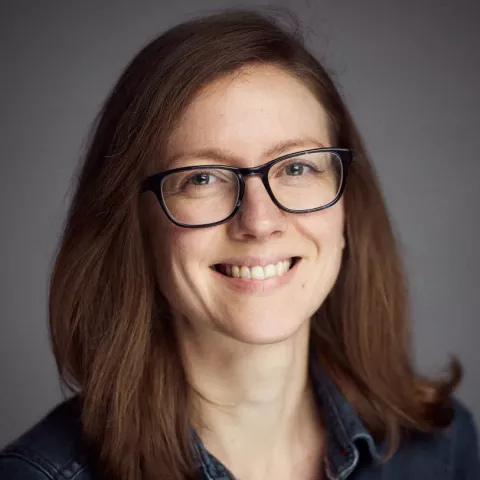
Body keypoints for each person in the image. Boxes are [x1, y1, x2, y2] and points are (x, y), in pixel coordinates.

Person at [0, 9, 478, 480]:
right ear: (137, 225)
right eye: (202, 177)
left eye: (296, 167)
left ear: (347, 202)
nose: (259, 221)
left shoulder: (441, 449)